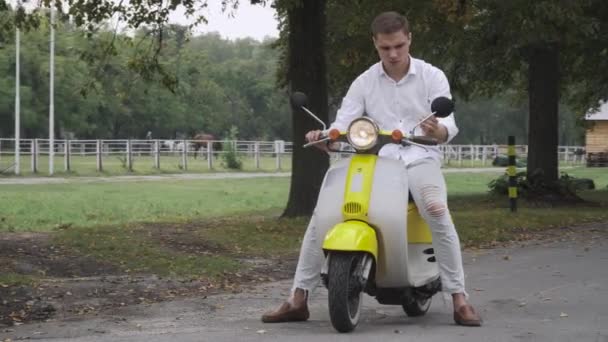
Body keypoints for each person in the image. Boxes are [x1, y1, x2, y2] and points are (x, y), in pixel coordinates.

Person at [261, 11, 482, 327]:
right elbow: (343, 123)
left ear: (409, 40)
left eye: (399, 46)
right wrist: (326, 136)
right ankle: (298, 298)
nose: (393, 54)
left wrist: (439, 131)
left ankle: (459, 299)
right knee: (324, 213)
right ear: (375, 45)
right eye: (385, 48)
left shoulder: (432, 76)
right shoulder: (364, 81)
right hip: (375, 160)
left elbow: (448, 122)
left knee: (435, 208)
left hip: (420, 157)